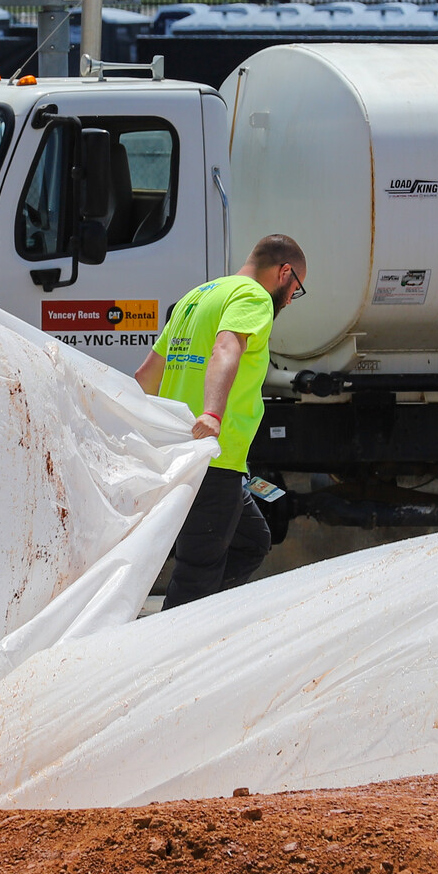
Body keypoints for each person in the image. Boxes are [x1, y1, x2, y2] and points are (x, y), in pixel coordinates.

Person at [134, 234, 307, 609]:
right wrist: (211, 414)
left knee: (253, 541)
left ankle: (206, 620)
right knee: (197, 573)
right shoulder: (253, 297)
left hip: (186, 456)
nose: (292, 299)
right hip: (214, 457)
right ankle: (174, 652)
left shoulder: (196, 298)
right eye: (297, 289)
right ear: (285, 272)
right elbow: (226, 347)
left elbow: (146, 376)